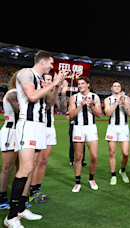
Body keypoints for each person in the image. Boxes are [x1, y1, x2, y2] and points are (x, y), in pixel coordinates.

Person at [4, 51, 66, 227]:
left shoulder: (41, 79)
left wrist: (56, 86)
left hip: (40, 126)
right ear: (43, 61)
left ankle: (22, 209)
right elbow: (31, 96)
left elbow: (50, 103)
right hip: (28, 125)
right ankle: (11, 216)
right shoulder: (26, 73)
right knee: (25, 168)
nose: (52, 67)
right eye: (51, 63)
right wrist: (53, 82)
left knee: (31, 169)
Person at [29, 73, 68, 203]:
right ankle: (32, 190)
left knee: (44, 160)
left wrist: (62, 91)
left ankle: (38, 188)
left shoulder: (52, 92)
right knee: (37, 161)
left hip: (50, 129)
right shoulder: (38, 91)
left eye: (51, 79)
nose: (50, 81)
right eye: (47, 79)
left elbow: (62, 108)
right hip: (39, 127)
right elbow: (46, 105)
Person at [68, 76, 102, 193]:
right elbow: (71, 115)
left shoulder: (95, 97)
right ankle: (77, 182)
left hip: (91, 128)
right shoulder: (74, 98)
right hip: (78, 128)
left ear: (88, 84)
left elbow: (99, 115)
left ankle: (91, 179)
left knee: (94, 156)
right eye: (79, 84)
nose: (80, 86)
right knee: (78, 157)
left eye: (83, 83)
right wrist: (81, 105)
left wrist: (91, 106)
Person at [104, 81, 130, 185]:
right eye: (114, 86)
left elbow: (129, 112)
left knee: (125, 153)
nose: (117, 87)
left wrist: (123, 101)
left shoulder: (127, 98)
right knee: (112, 153)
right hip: (112, 127)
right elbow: (107, 113)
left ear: (121, 88)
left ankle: (123, 171)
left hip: (124, 127)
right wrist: (116, 102)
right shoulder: (108, 99)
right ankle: (113, 175)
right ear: (111, 88)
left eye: (118, 86)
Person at [0, 72, 20, 210]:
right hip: (11, 132)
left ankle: (15, 198)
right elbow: (20, 111)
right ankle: (2, 198)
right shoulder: (13, 93)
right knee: (7, 167)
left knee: (20, 168)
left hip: (20, 133)